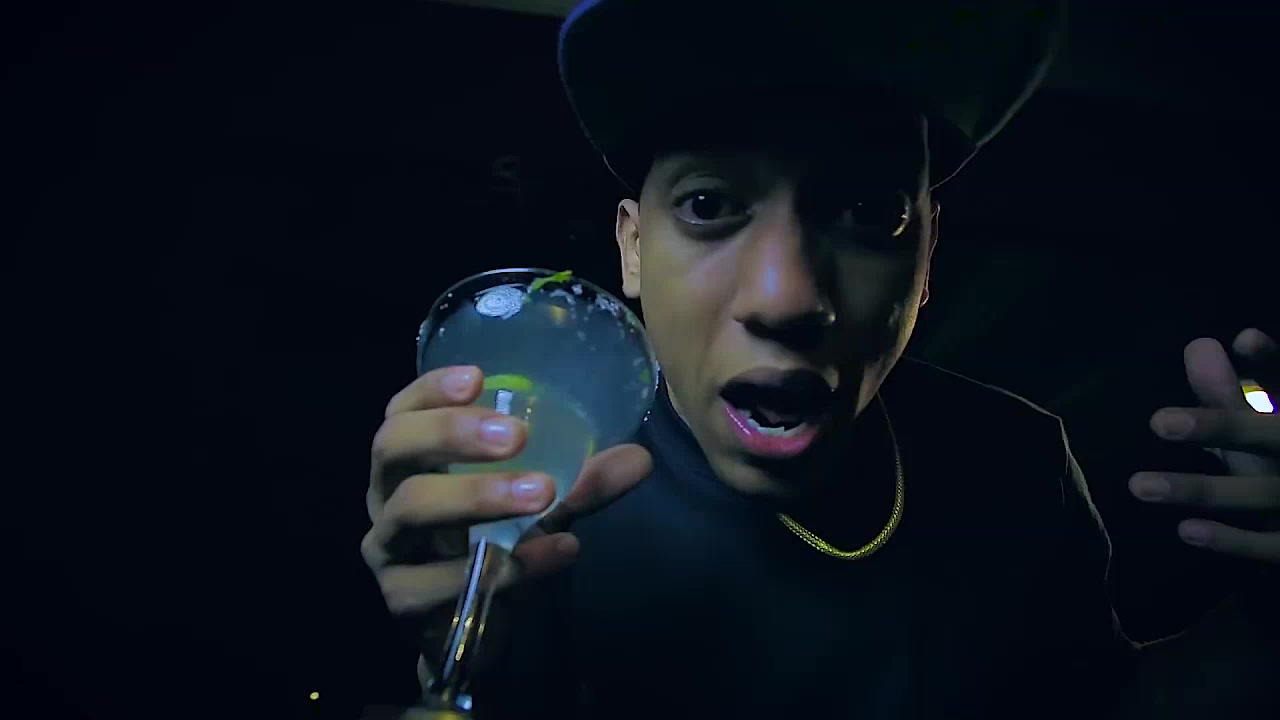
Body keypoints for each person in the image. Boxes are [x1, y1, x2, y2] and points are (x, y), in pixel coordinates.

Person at [362, 1, 1279, 717]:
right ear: (632, 249)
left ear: (926, 263)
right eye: (711, 204)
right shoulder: (538, 489)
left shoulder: (1018, 460)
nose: (787, 297)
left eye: (872, 213)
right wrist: (467, 665)